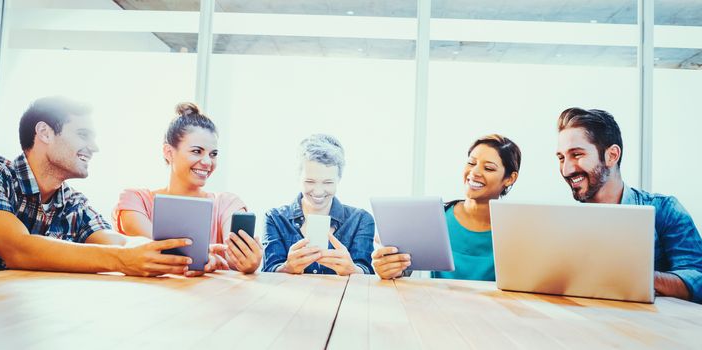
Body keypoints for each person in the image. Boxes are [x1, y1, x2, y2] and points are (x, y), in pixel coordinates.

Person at [0, 96, 222, 277]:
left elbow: (123, 242)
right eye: (83, 135)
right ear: (44, 133)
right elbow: (15, 248)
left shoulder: (73, 204)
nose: (94, 147)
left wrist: (186, 255)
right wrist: (120, 259)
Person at [556, 107, 702, 303]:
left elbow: (698, 281)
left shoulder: (665, 210)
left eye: (577, 154)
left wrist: (634, 277)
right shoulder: (564, 224)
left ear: (612, 156)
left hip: (653, 328)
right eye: (561, 158)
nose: (566, 169)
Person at [113, 103, 262, 274]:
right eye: (197, 151)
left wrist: (248, 262)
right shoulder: (135, 201)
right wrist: (203, 258)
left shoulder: (228, 203)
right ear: (169, 152)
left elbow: (234, 259)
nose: (207, 162)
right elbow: (157, 251)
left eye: (213, 154)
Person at [372, 134, 521, 280]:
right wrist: (389, 268)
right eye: (471, 163)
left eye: (488, 168)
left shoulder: (517, 230)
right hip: (437, 303)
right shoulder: (436, 218)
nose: (474, 172)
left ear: (510, 178)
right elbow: (403, 271)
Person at [262, 134, 375, 275]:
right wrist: (287, 268)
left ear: (339, 179)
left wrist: (352, 270)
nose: (318, 191)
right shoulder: (275, 218)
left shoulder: (361, 220)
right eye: (310, 181)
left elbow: (366, 271)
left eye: (328, 182)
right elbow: (268, 272)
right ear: (298, 177)